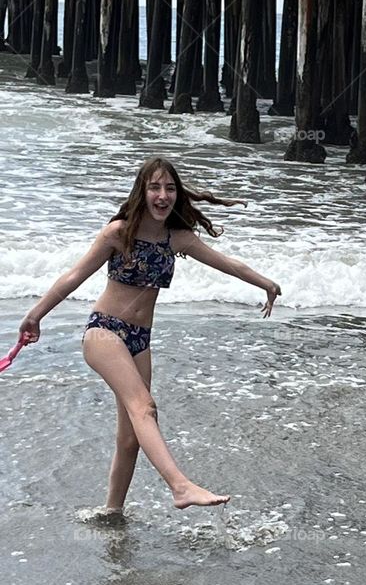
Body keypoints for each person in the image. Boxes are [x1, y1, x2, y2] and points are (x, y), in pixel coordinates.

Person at [18, 157, 282, 514]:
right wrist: (35, 316)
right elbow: (74, 275)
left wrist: (266, 283)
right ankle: (181, 486)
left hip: (140, 340)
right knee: (145, 407)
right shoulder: (118, 232)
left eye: (170, 188)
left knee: (130, 439)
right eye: (155, 187)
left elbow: (229, 264)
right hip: (104, 332)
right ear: (141, 191)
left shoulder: (178, 238)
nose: (162, 195)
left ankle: (111, 512)